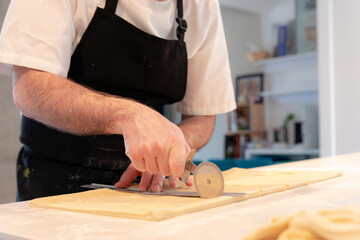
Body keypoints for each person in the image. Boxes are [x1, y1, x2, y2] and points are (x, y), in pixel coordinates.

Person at [0, 0, 236, 201]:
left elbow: (202, 115)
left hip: (148, 191)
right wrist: (128, 116)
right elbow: (30, 88)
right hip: (54, 182)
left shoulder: (202, 5)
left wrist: (167, 149)